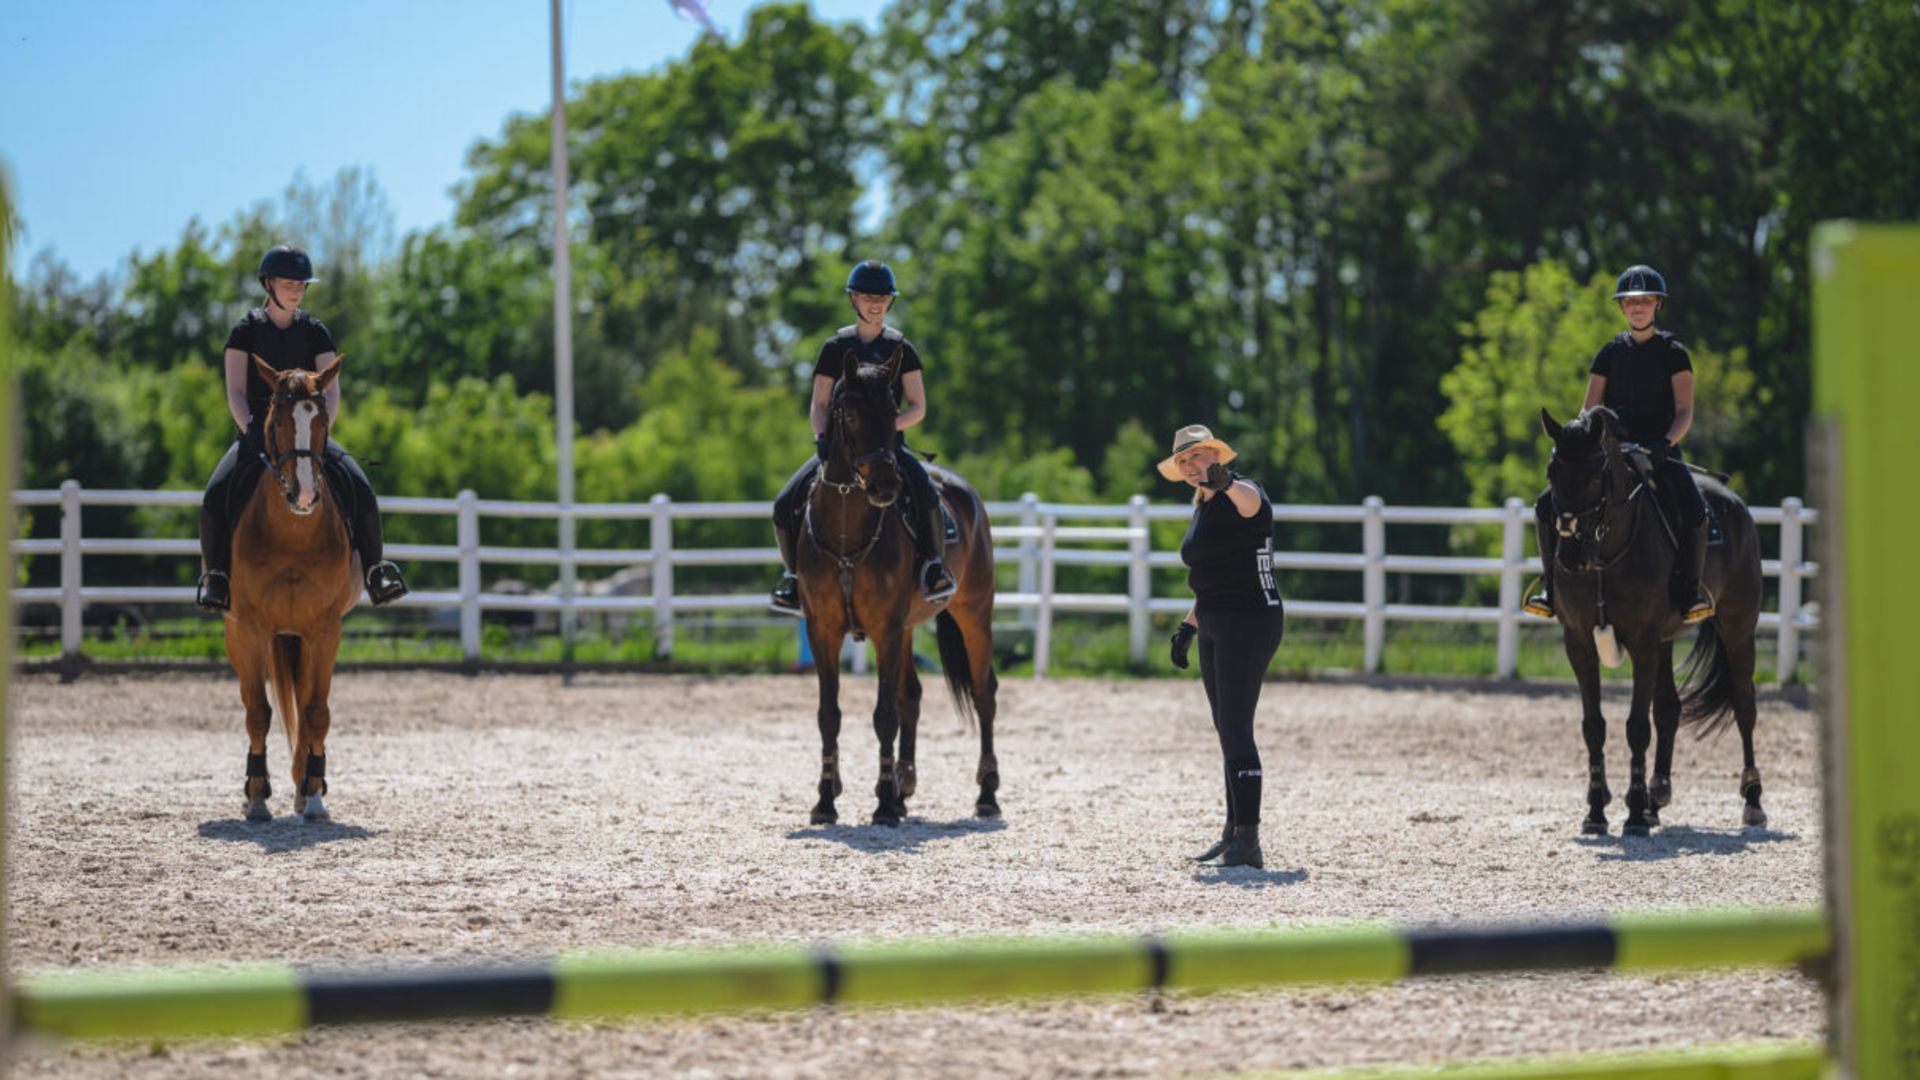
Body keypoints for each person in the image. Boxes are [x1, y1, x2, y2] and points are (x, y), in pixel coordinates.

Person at [195, 244, 409, 612]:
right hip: (258, 432)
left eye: (301, 284)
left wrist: (318, 437)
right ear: (269, 283)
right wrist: (251, 430)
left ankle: (376, 570)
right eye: (288, 282)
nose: (296, 289)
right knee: (215, 495)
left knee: (361, 488)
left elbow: (331, 390)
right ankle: (217, 577)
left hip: (308, 434)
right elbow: (235, 390)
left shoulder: (315, 332)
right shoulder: (245, 331)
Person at [1523, 264, 1714, 624]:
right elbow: (1588, 409)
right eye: (1630, 302)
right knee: (1546, 505)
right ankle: (1551, 588)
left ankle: (1689, 593)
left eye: (1644, 300)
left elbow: (1685, 411)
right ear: (1622, 308)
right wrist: (1579, 439)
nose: (1637, 307)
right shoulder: (1608, 354)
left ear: (1657, 304)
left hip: (1660, 452)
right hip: (1610, 454)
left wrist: (1665, 443)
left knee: (1695, 510)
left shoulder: (1674, 353)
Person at [768, 260, 956, 613]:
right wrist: (822, 438)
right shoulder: (834, 348)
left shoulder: (903, 349)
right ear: (853, 298)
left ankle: (933, 567)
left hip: (887, 450)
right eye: (868, 296)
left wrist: (886, 430)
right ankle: (794, 578)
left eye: (882, 298)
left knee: (928, 495)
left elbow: (918, 406)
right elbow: (819, 404)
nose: (875, 303)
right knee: (783, 504)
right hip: (841, 450)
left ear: (890, 302)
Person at [1161, 424, 1285, 869]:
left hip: (1249, 620)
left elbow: (1252, 503)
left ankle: (1249, 842)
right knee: (1225, 728)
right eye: (1184, 462)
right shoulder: (1205, 506)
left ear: (1217, 455)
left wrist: (1229, 483)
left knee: (1236, 728)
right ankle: (1234, 831)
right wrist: (1188, 627)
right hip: (1215, 620)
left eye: (1198, 457)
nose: (1193, 467)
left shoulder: (1241, 492)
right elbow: (1211, 576)